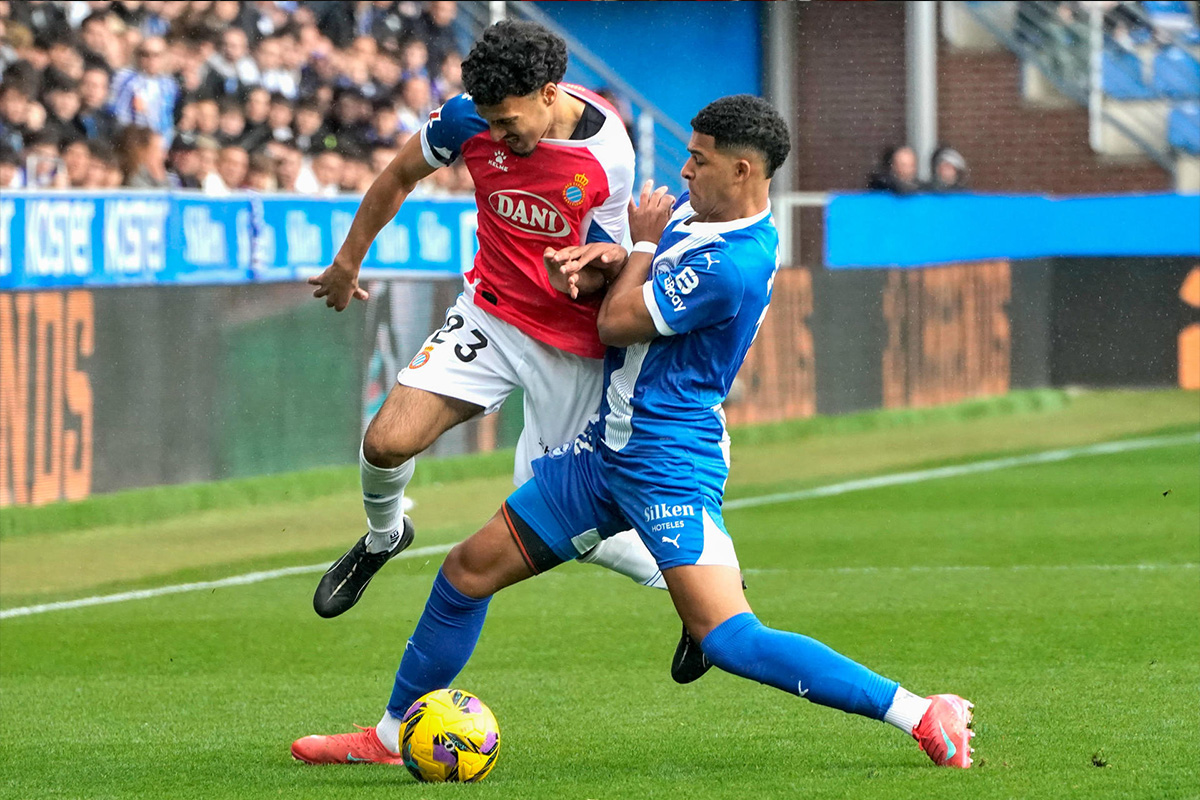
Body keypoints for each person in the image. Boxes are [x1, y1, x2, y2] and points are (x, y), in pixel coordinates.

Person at [291, 95, 977, 770]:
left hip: (666, 463)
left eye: (698, 161)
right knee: (466, 572)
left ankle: (920, 713)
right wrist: (607, 260)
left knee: (730, 638)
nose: (684, 172)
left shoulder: (733, 263)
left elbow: (618, 324)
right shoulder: (701, 218)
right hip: (605, 455)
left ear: (743, 172)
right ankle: (387, 739)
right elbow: (630, 282)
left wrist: (641, 244)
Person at [303, 19, 679, 667]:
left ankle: (705, 598)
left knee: (571, 527)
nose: (499, 135)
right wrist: (347, 262)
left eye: (509, 122)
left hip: (573, 344)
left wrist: (600, 261)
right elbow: (396, 177)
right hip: (493, 314)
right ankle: (385, 534)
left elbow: (623, 259)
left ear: (549, 92)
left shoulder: (607, 150)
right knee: (384, 441)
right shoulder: (461, 121)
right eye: (490, 122)